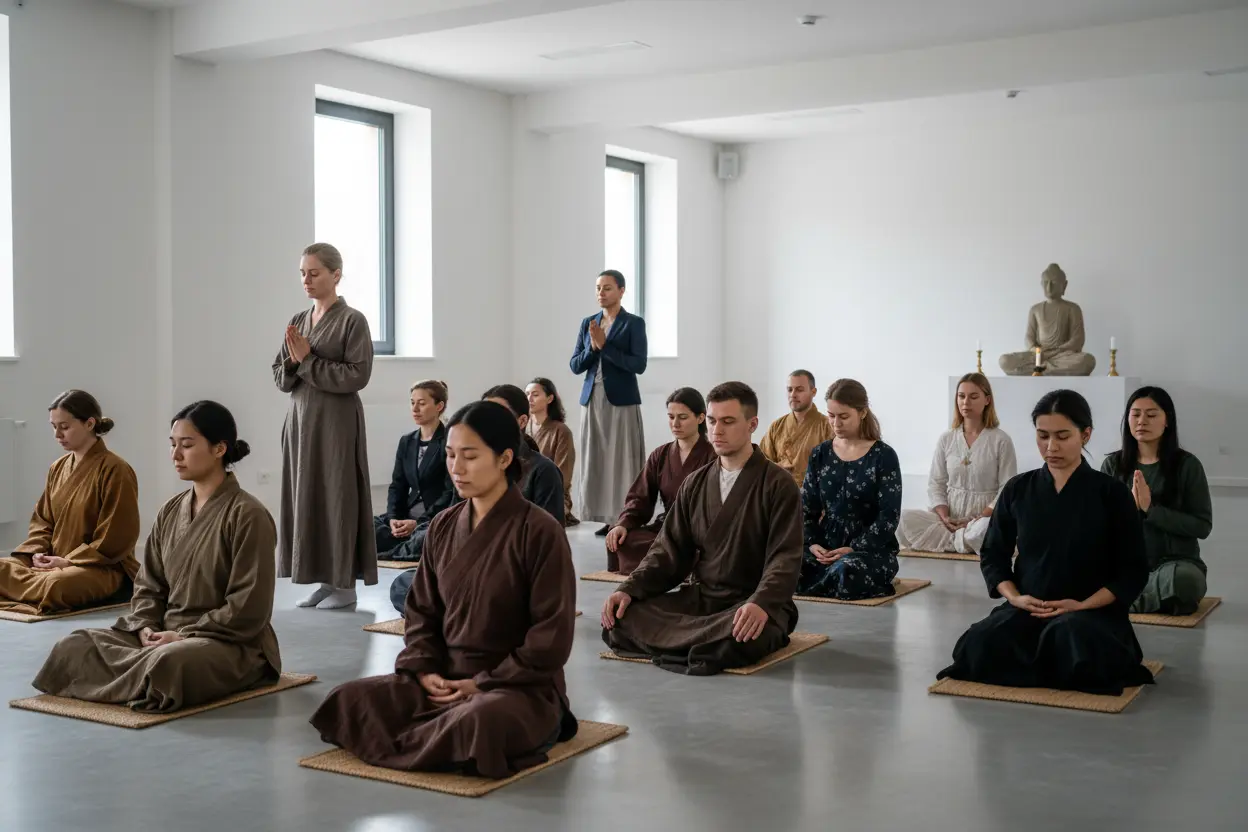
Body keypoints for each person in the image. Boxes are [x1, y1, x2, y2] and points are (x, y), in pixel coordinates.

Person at [310, 401, 578, 778]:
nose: (456, 468)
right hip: (444, 678)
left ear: (504, 459)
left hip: (514, 687)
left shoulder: (540, 531)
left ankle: (434, 735)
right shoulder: (443, 526)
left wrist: (480, 683)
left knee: (481, 720)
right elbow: (421, 611)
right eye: (450, 455)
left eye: (469, 456)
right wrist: (424, 670)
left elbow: (551, 634)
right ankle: (436, 738)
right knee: (349, 699)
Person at [32, 401, 282, 711]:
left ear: (219, 449)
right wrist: (145, 626)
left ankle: (138, 676)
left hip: (224, 640)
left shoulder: (248, 515)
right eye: (172, 444)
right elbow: (148, 585)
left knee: (168, 663)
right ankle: (140, 676)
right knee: (73, 645)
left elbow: (249, 607)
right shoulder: (171, 510)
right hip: (161, 633)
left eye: (187, 445)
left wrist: (182, 635)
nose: (175, 455)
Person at [937, 390, 1153, 695]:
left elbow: (1133, 569)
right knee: (977, 643)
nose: (1051, 447)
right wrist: (1015, 599)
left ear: (1085, 435)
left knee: (1071, 639)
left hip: (1089, 613)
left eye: (1063, 436)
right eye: (1043, 436)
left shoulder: (1111, 494)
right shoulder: (1017, 489)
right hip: (1030, 608)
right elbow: (994, 555)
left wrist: (1082, 605)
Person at [600, 382, 803, 676]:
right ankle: (695, 646)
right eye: (711, 420)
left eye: (728, 421)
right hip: (703, 599)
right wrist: (629, 589)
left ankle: (684, 643)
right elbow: (668, 551)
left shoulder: (778, 484)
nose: (716, 430)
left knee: (741, 634)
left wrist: (761, 602)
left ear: (752, 424)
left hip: (752, 603)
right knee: (622, 618)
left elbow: (785, 558)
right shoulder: (695, 483)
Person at [388, 384, 564, 612]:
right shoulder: (469, 470)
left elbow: (545, 548)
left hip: (509, 579)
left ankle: (458, 611)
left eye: (498, 415)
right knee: (405, 585)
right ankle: (455, 611)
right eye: (451, 455)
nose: (487, 421)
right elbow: (452, 523)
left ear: (521, 422)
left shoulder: (542, 471)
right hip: (464, 573)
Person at [272, 242, 376, 610]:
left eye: (314, 273)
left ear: (336, 274)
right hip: (300, 422)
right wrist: (294, 363)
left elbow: (357, 375)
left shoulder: (353, 321)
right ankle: (322, 581)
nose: (307, 279)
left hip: (335, 422)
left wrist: (306, 362)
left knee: (337, 493)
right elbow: (280, 374)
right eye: (302, 273)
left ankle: (345, 584)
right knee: (306, 495)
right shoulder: (299, 320)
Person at [1, 390, 140, 616]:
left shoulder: (116, 470)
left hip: (97, 568)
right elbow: (42, 521)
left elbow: (117, 536)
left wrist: (67, 562)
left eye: (64, 427)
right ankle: (34, 587)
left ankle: (28, 590)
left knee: (57, 585)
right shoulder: (58, 467)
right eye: (53, 426)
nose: (57, 434)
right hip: (51, 563)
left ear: (89, 423)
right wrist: (37, 553)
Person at [1101, 387, 1213, 615]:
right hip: (1124, 563)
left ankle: (1123, 600)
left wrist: (1150, 510)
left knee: (1185, 581)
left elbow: (1202, 526)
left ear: (1167, 421)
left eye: (1151, 415)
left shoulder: (1187, 465)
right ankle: (1156, 600)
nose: (1142, 421)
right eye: (1136, 414)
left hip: (1174, 563)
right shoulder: (1113, 465)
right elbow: (1100, 523)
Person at [797, 379, 903, 601]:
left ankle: (822, 582)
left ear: (862, 412)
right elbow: (807, 508)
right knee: (786, 564)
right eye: (831, 415)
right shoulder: (820, 454)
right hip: (825, 547)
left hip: (868, 550)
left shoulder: (883, 456)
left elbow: (888, 517)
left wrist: (853, 548)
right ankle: (824, 580)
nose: (836, 423)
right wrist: (813, 543)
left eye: (843, 417)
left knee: (848, 571)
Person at [897, 373, 1018, 555]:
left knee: (983, 530)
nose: (965, 402)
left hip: (982, 518)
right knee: (903, 519)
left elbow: (1007, 488)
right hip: (948, 521)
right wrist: (945, 517)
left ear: (987, 400)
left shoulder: (1001, 440)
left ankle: (958, 540)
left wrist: (977, 517)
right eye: (961, 396)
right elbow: (936, 483)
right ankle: (960, 540)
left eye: (973, 396)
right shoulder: (947, 438)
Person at [605, 387, 716, 575]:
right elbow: (640, 497)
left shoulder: (712, 455)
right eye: (671, 417)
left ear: (700, 418)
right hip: (666, 527)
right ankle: (677, 565)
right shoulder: (661, 454)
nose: (675, 423)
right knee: (623, 538)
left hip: (698, 530)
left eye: (682, 417)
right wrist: (623, 524)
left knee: (692, 548)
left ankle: (680, 562)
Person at [569, 270, 647, 536]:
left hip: (622, 400)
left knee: (622, 458)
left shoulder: (633, 323)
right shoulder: (587, 323)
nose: (601, 293)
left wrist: (605, 347)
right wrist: (592, 348)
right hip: (592, 399)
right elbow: (575, 365)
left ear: (622, 290)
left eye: (607, 288)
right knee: (597, 458)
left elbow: (638, 364)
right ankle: (603, 515)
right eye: (598, 288)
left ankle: (624, 516)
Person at [373, 380, 455, 563]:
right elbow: (398, 485)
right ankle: (401, 545)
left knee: (425, 536)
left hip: (433, 516)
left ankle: (394, 550)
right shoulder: (407, 441)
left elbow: (450, 492)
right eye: (412, 402)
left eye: (422, 403)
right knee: (369, 526)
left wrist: (418, 523)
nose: (415, 409)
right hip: (408, 513)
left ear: (439, 406)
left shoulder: (450, 441)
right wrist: (394, 518)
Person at [759, 370, 831, 486]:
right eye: (790, 389)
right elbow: (761, 462)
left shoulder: (828, 426)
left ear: (813, 392)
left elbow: (834, 468)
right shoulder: (777, 426)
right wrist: (777, 469)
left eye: (799, 389)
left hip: (814, 497)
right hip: (779, 494)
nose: (793, 394)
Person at [526, 377, 579, 526]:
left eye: (535, 394)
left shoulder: (561, 431)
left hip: (553, 494)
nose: (529, 398)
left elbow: (563, 474)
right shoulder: (523, 428)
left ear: (549, 399)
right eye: (527, 394)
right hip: (525, 491)